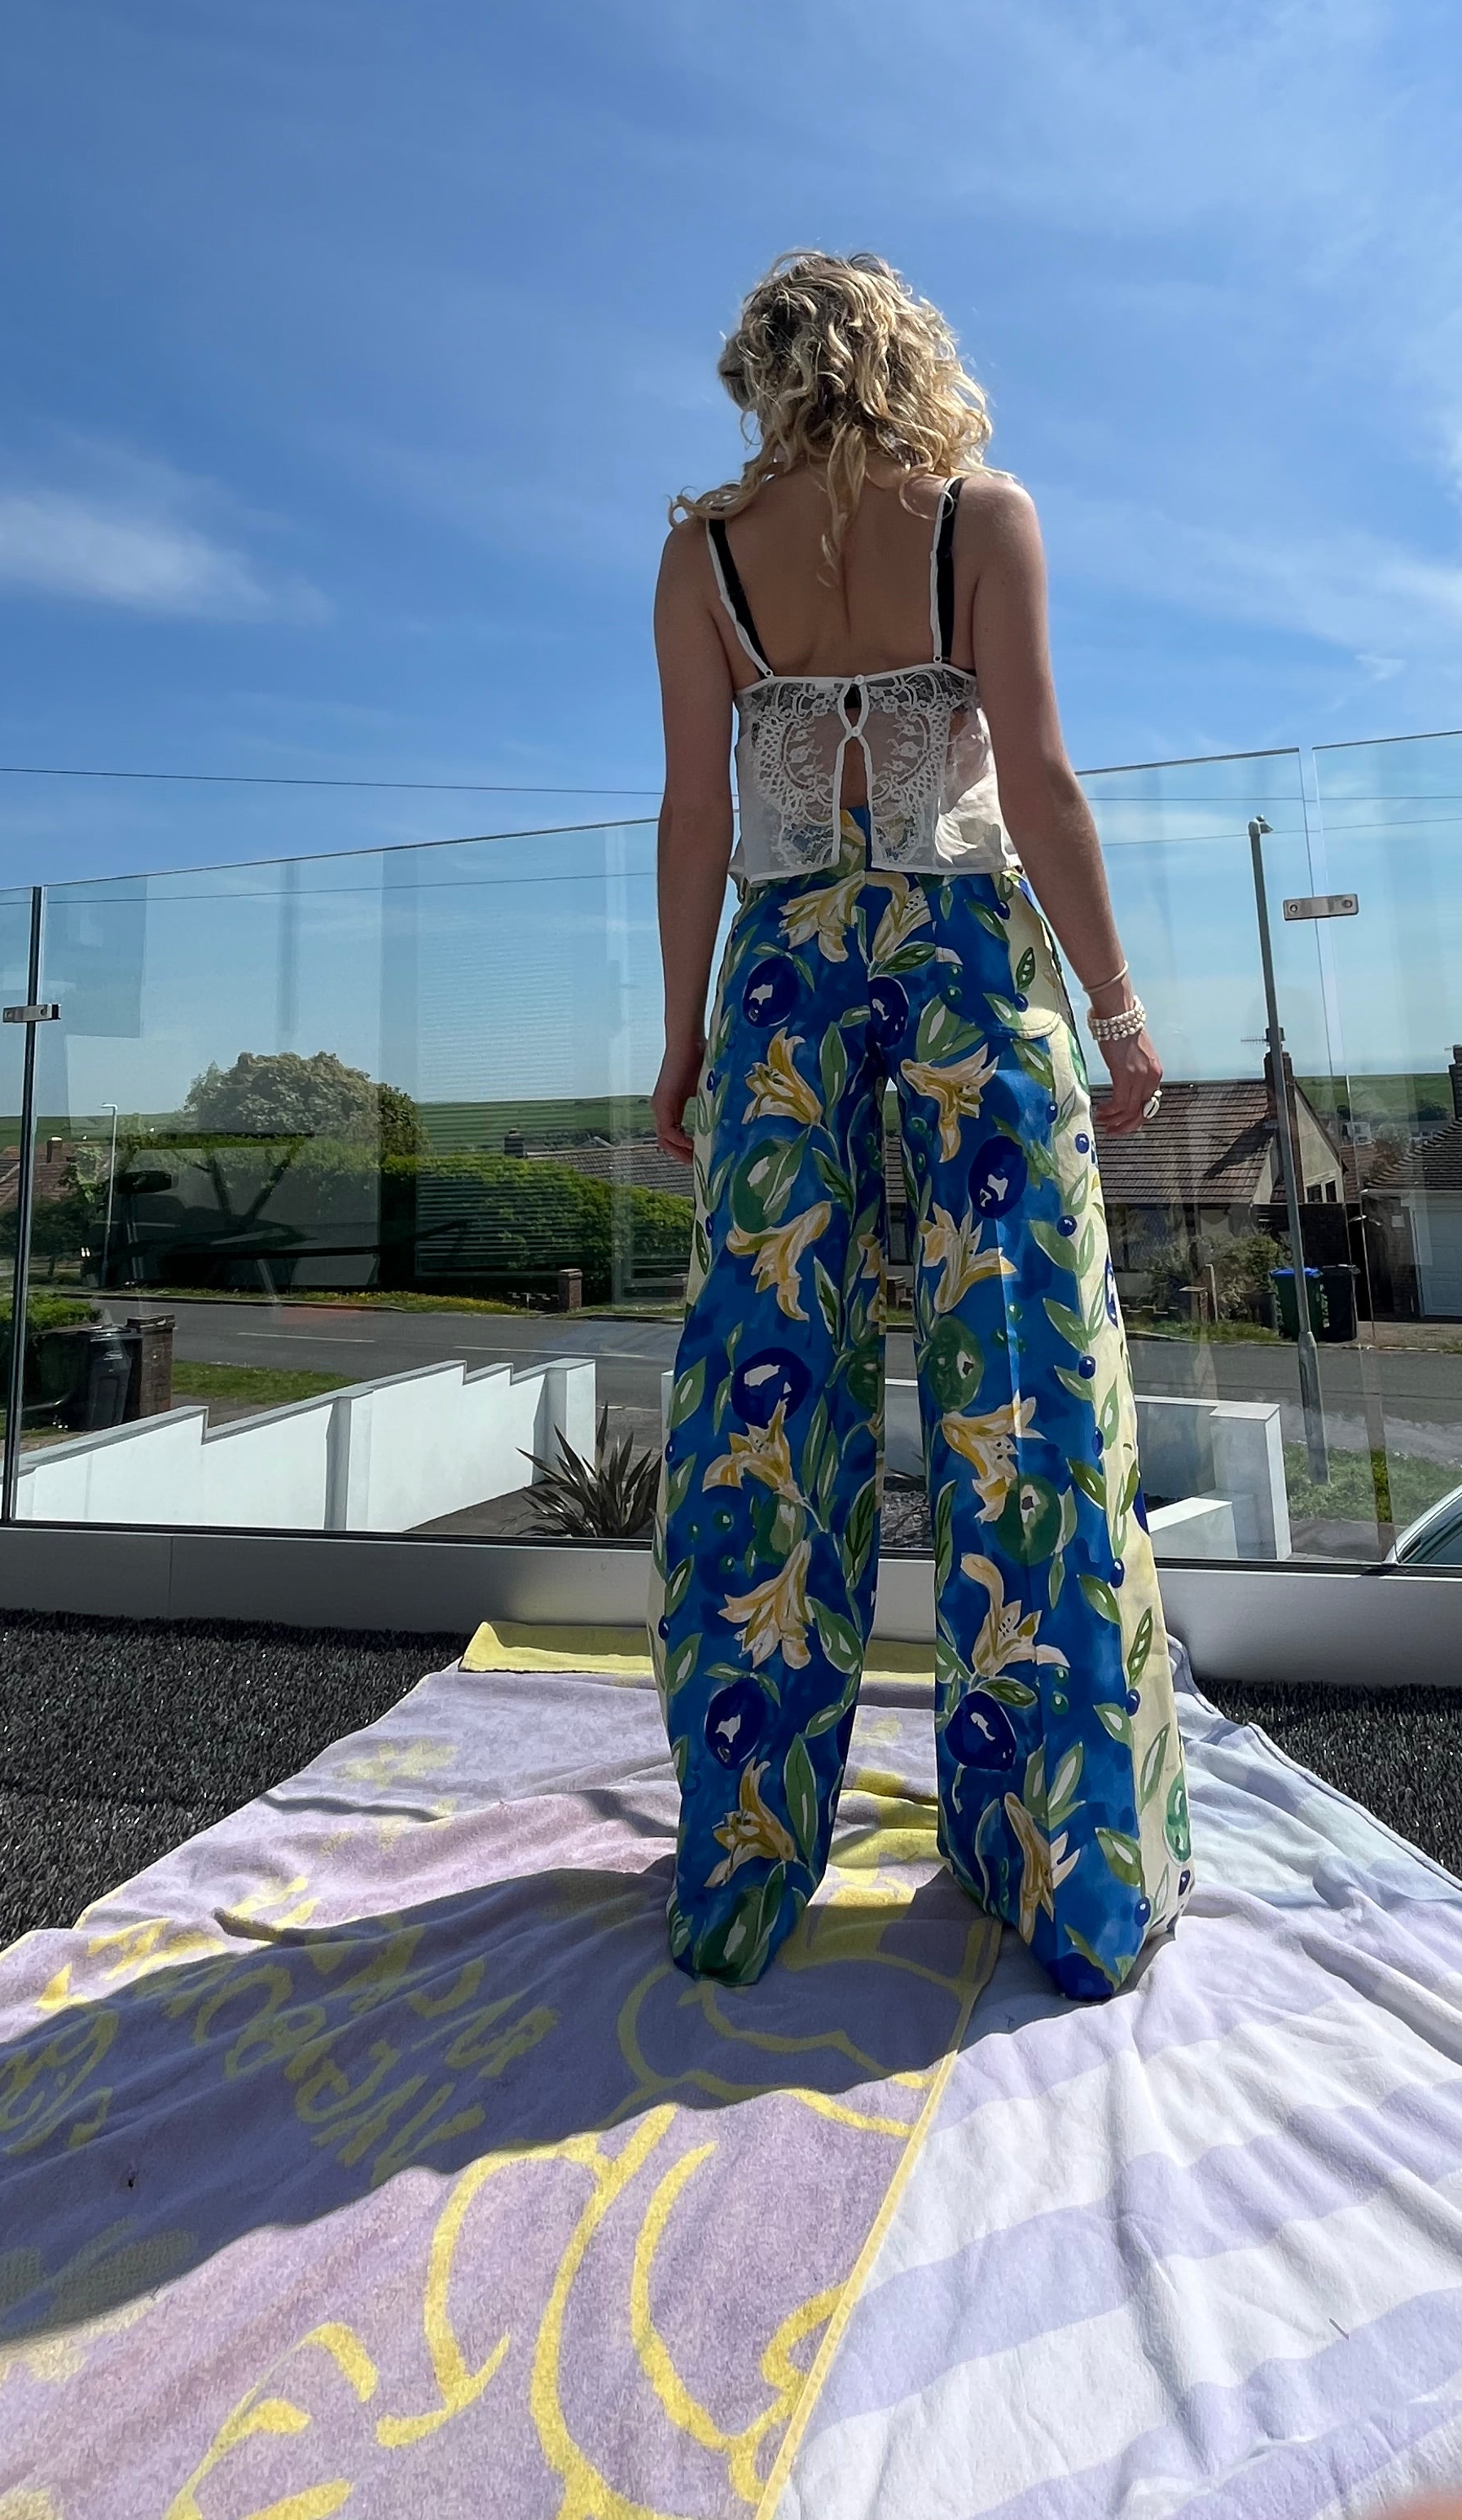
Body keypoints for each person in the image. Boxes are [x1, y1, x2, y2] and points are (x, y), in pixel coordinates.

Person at [647, 249, 1191, 1996]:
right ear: (908, 357)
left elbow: (692, 815)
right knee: (1020, 1386)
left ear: (763, 376)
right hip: (965, 976)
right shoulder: (980, 518)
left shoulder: (702, 557)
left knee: (766, 1406)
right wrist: (1118, 1015)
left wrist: (681, 1039)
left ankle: (741, 1872)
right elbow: (1038, 782)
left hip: (781, 989)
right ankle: (1065, 1874)